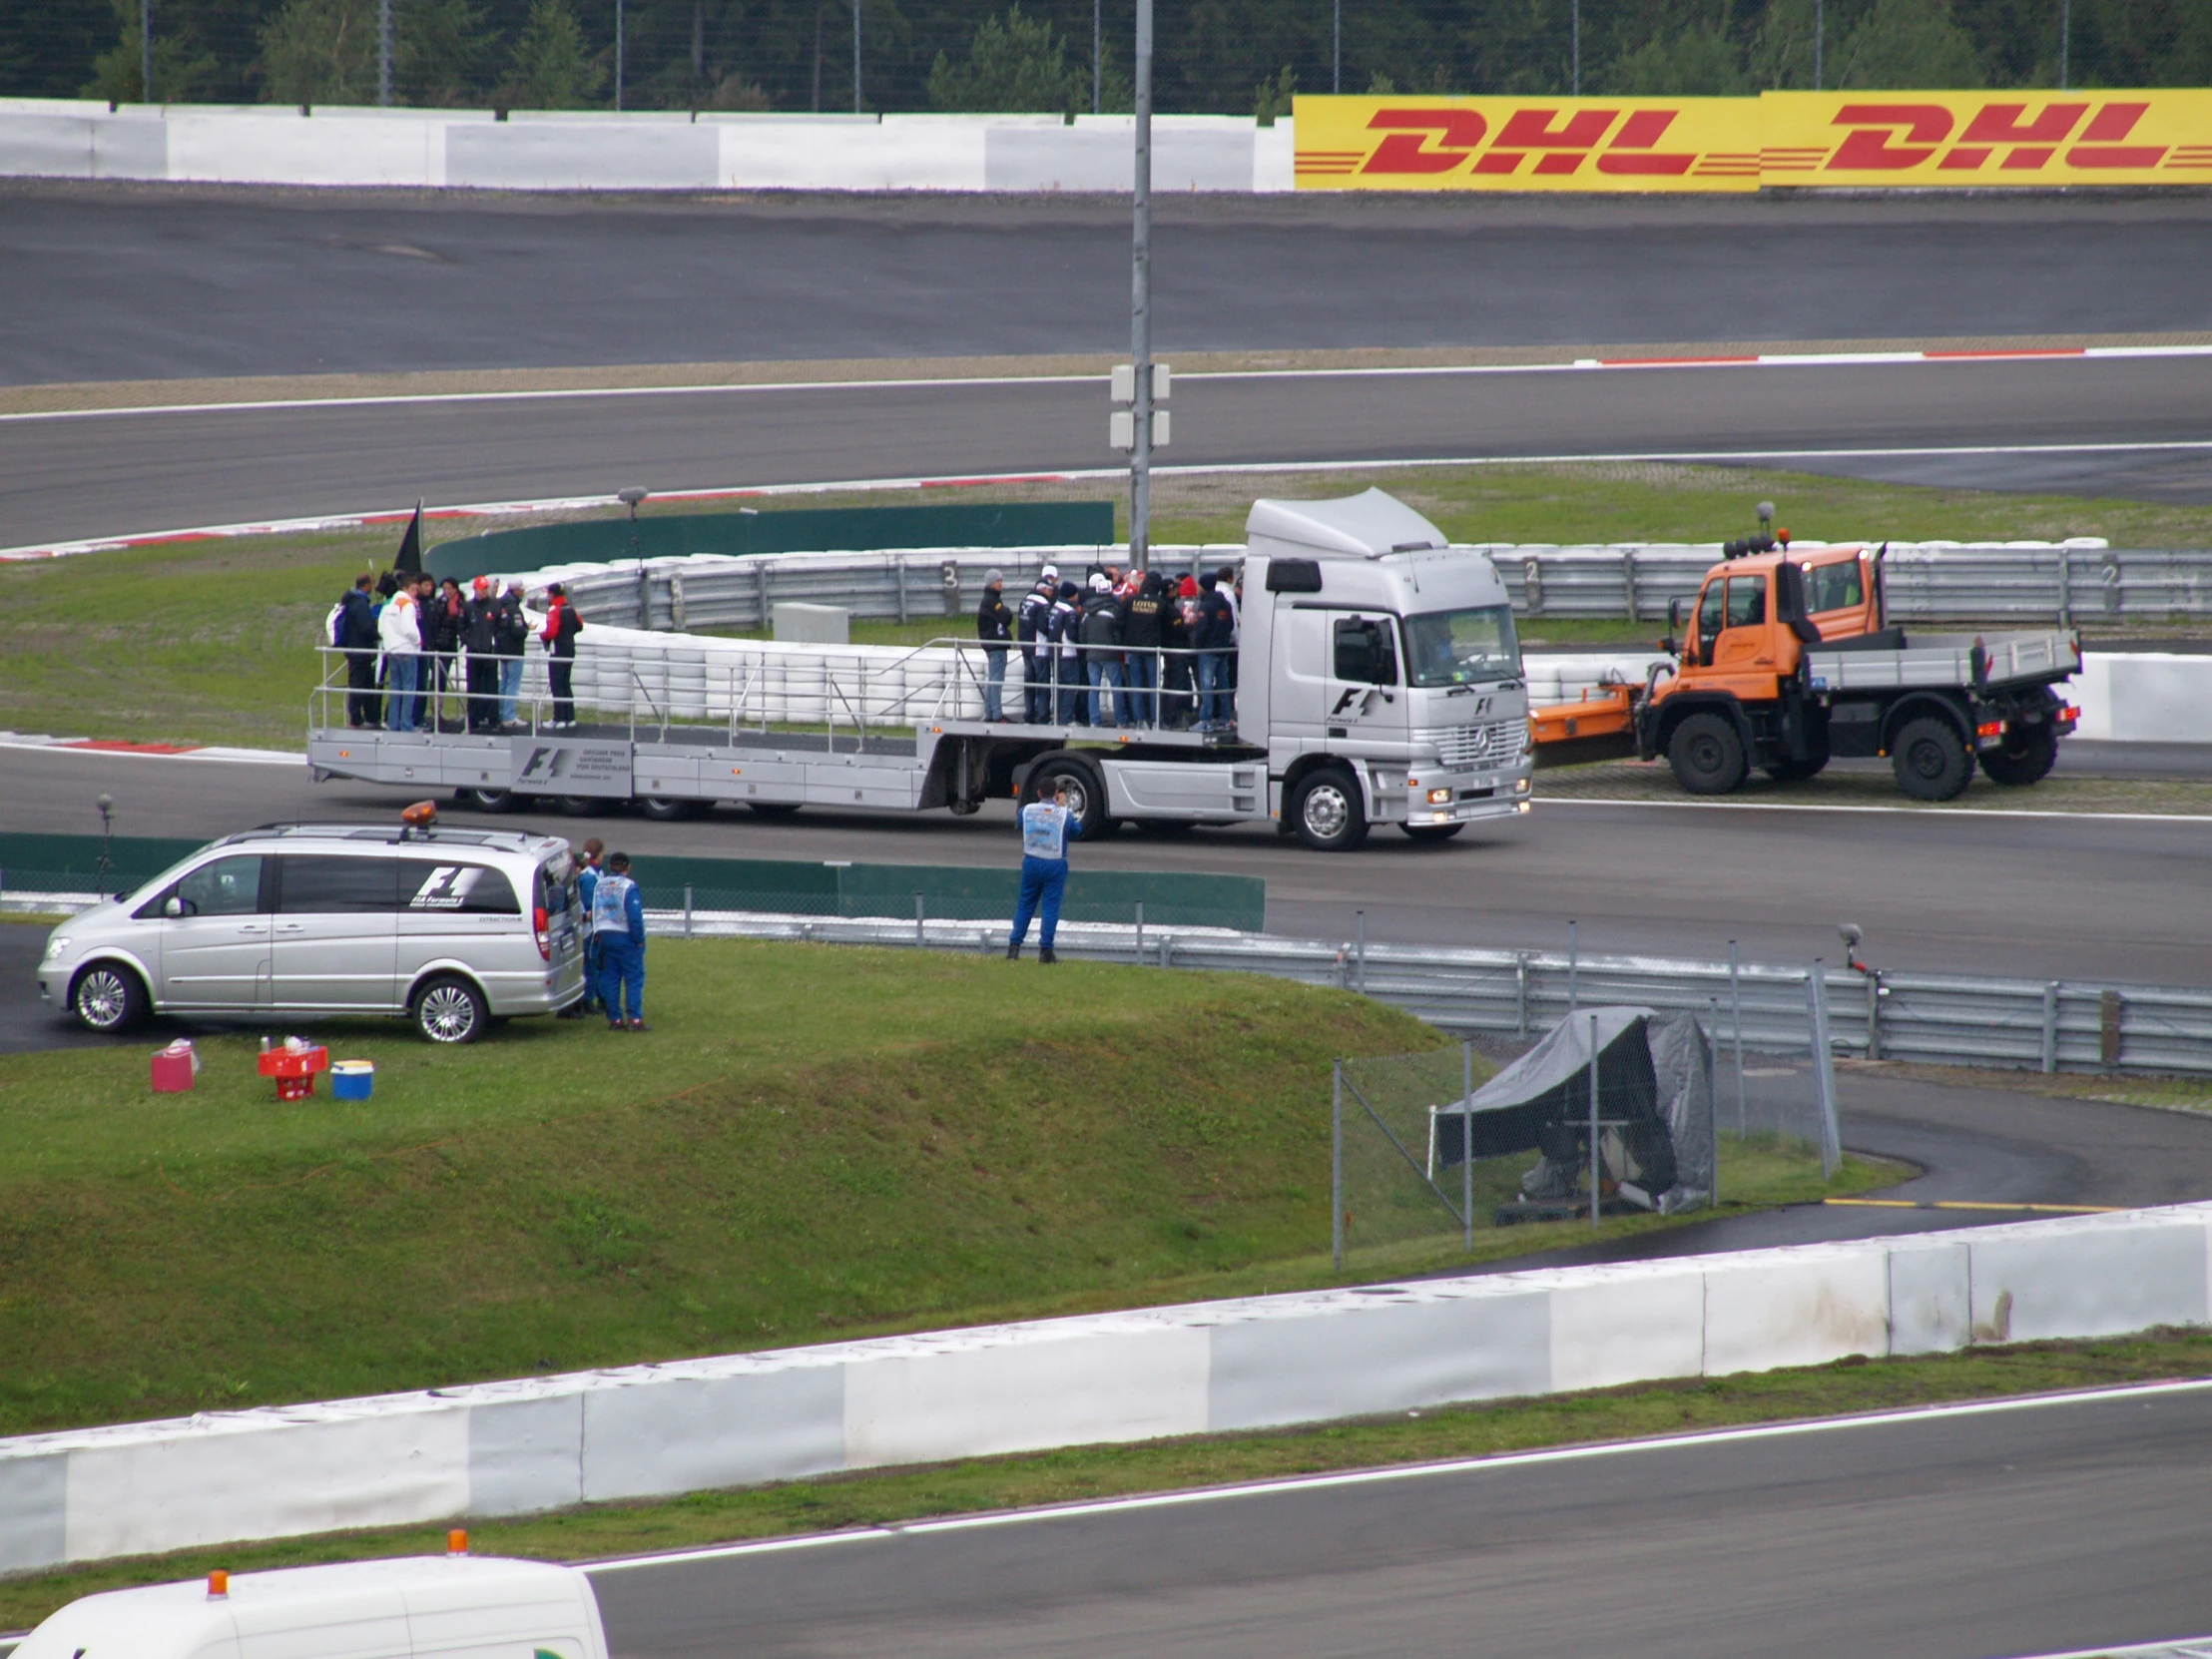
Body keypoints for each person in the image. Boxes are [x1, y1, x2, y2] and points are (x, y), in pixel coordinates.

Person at [1006, 779, 1078, 964]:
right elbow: (1077, 830)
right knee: (1050, 907)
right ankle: (1046, 950)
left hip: (1031, 860)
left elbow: (1020, 825)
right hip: (1055, 863)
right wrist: (1060, 807)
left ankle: (1014, 948)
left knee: (1026, 903)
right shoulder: (1064, 814)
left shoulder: (1026, 810)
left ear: (1038, 793)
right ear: (1056, 794)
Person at [591, 850, 648, 1030]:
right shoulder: (629, 887)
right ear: (627, 867)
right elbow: (634, 917)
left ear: (610, 866)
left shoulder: (600, 885)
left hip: (603, 935)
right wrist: (638, 939)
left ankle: (615, 1019)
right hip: (624, 936)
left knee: (611, 978)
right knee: (633, 978)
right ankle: (634, 1019)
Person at [561, 837, 607, 1018]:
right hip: (588, 929)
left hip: (594, 926)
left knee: (594, 964)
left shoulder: (597, 874)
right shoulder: (589, 877)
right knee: (589, 965)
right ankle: (586, 1000)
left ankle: (590, 998)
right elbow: (589, 904)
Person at [1079, 571, 1128, 728]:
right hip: (1110, 654)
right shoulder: (1113, 610)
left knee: (1093, 688)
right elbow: (1117, 634)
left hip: (1091, 654)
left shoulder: (1087, 612)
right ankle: (1121, 720)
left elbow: (1082, 636)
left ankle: (1094, 721)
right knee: (1116, 688)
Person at [1122, 569, 1167, 727]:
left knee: (1136, 685)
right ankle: (1155, 720)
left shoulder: (1129, 601)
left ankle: (1139, 720)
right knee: (1154, 686)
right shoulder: (1160, 604)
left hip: (1133, 648)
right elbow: (1165, 626)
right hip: (1152, 649)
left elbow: (1120, 622)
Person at [1193, 572, 1237, 731]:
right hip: (1222, 649)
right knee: (1223, 685)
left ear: (1204, 586)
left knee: (1207, 686)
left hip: (1208, 650)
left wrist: (1199, 645)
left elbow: (1201, 629)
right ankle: (1225, 718)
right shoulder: (1225, 604)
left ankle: (1206, 719)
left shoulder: (1206, 605)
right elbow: (1231, 625)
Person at [335, 574, 379, 728]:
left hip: (355, 648)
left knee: (363, 683)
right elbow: (366, 627)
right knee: (359, 683)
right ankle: (356, 718)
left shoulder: (351, 601)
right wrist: (378, 634)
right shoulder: (360, 603)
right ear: (366, 585)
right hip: (361, 650)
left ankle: (366, 717)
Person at [377, 580, 421, 733]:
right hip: (407, 650)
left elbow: (380, 628)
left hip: (391, 650)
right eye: (413, 589)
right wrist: (418, 639)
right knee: (409, 688)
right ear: (405, 589)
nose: (416, 592)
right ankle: (406, 724)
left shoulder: (388, 605)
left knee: (395, 687)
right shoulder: (407, 604)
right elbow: (409, 629)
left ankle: (393, 723)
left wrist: (390, 641)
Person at [462, 576, 501, 734]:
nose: (483, 591)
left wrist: (496, 644)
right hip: (473, 653)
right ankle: (473, 720)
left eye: (485, 588)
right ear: (475, 589)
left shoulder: (495, 605)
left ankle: (493, 720)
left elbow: (500, 627)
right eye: (481, 588)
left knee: (492, 687)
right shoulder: (468, 606)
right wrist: (471, 643)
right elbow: (461, 628)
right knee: (473, 687)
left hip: (490, 653)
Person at [1017, 566, 1057, 723]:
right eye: (1050, 589)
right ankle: (1043, 715)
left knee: (1029, 682)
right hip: (1039, 648)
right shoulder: (1043, 604)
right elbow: (1043, 626)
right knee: (1042, 683)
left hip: (1025, 646)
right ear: (1043, 589)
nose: (1052, 592)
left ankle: (1029, 713)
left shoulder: (1025, 601)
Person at [542, 583, 583, 729]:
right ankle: (570, 718)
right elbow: (580, 625)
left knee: (557, 684)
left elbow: (551, 631)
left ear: (552, 594)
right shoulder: (570, 608)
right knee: (566, 683)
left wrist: (543, 636)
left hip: (558, 650)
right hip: (570, 648)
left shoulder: (554, 610)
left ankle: (558, 718)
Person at [975, 569, 1014, 723]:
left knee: (993, 679)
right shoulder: (992, 601)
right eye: (998, 581)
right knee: (996, 681)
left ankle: (990, 713)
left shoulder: (990, 599)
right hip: (996, 645)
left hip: (992, 644)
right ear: (991, 583)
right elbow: (1006, 616)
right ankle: (996, 714)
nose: (1001, 584)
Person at [427, 578, 466, 730]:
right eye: (444, 588)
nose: (447, 591)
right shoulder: (440, 603)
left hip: (449, 645)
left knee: (442, 676)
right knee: (436, 678)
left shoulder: (461, 604)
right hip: (438, 644)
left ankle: (438, 709)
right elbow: (434, 621)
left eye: (449, 588)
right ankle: (435, 710)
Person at [1048, 579, 1084, 725]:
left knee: (1058, 687)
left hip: (1054, 652)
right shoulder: (1069, 611)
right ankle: (1066, 719)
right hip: (1067, 653)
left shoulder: (1055, 607)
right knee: (1070, 686)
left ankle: (1056, 717)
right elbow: (1072, 635)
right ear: (1072, 595)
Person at [494, 581, 530, 729]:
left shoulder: (499, 605)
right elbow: (518, 631)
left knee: (504, 682)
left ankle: (502, 713)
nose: (523, 592)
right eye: (521, 590)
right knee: (512, 684)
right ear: (516, 590)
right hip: (514, 650)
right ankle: (509, 716)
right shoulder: (513, 608)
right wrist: (526, 629)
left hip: (501, 649)